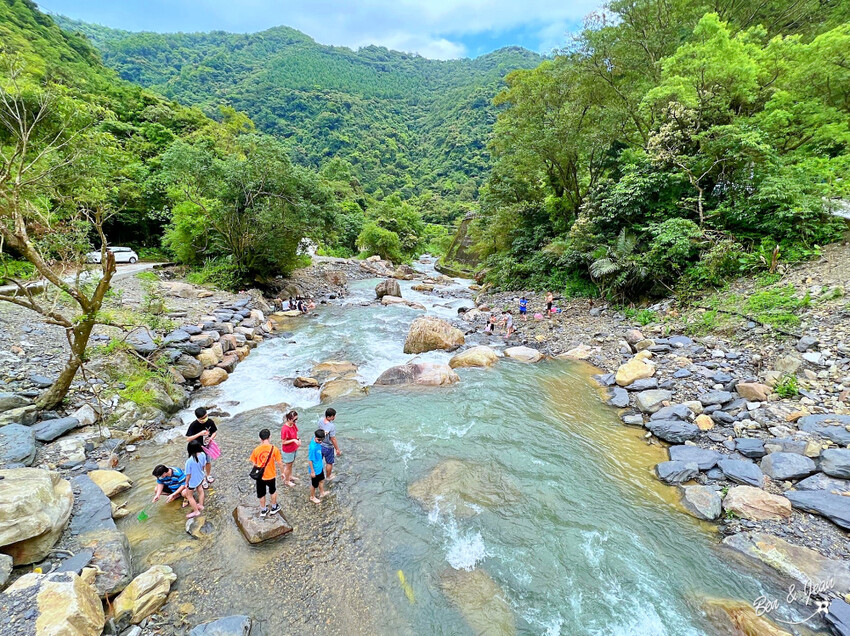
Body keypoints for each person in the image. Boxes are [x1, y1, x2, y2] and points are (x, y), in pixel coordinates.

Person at [249, 428, 284, 517]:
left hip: (260, 476)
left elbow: (254, 463)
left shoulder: (256, 450)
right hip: (271, 475)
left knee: (261, 493)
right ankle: (273, 507)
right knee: (273, 491)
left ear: (260, 439)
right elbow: (279, 462)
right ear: (270, 437)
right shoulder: (274, 449)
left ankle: (263, 510)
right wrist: (282, 473)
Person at [185, 407, 218, 486]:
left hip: (207, 446)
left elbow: (214, 432)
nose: (205, 419)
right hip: (197, 448)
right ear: (198, 418)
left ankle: (208, 475)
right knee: (200, 464)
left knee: (208, 461)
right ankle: (202, 479)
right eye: (203, 418)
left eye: (206, 416)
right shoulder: (194, 425)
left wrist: (210, 439)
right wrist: (200, 434)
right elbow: (188, 439)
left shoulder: (210, 421)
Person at [184, 441, 207, 519]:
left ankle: (196, 511)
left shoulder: (189, 461)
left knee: (189, 496)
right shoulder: (203, 455)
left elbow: (188, 474)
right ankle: (201, 505)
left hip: (193, 481)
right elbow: (203, 466)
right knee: (200, 490)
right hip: (200, 477)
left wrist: (186, 483)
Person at [318, 408, 341, 481]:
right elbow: (333, 439)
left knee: (319, 461)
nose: (334, 417)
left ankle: (317, 474)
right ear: (329, 417)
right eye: (333, 416)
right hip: (328, 447)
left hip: (320, 444)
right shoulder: (331, 426)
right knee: (329, 463)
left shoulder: (320, 420)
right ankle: (328, 477)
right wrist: (337, 449)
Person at [280, 410, 301, 487]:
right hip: (288, 450)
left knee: (291, 464)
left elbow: (296, 435)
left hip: (294, 448)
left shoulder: (293, 425)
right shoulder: (285, 429)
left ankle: (290, 476)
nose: (295, 421)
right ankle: (287, 481)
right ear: (289, 419)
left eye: (296, 419)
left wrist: (298, 440)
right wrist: (293, 440)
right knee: (288, 466)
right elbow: (283, 442)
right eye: (294, 420)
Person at [307, 429, 327, 504]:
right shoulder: (313, 447)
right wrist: (312, 471)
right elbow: (310, 460)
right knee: (314, 485)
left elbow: (322, 433)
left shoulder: (317, 438)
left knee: (321, 480)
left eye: (322, 440)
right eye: (319, 440)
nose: (320, 441)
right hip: (315, 469)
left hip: (320, 467)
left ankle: (322, 493)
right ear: (315, 437)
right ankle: (312, 497)